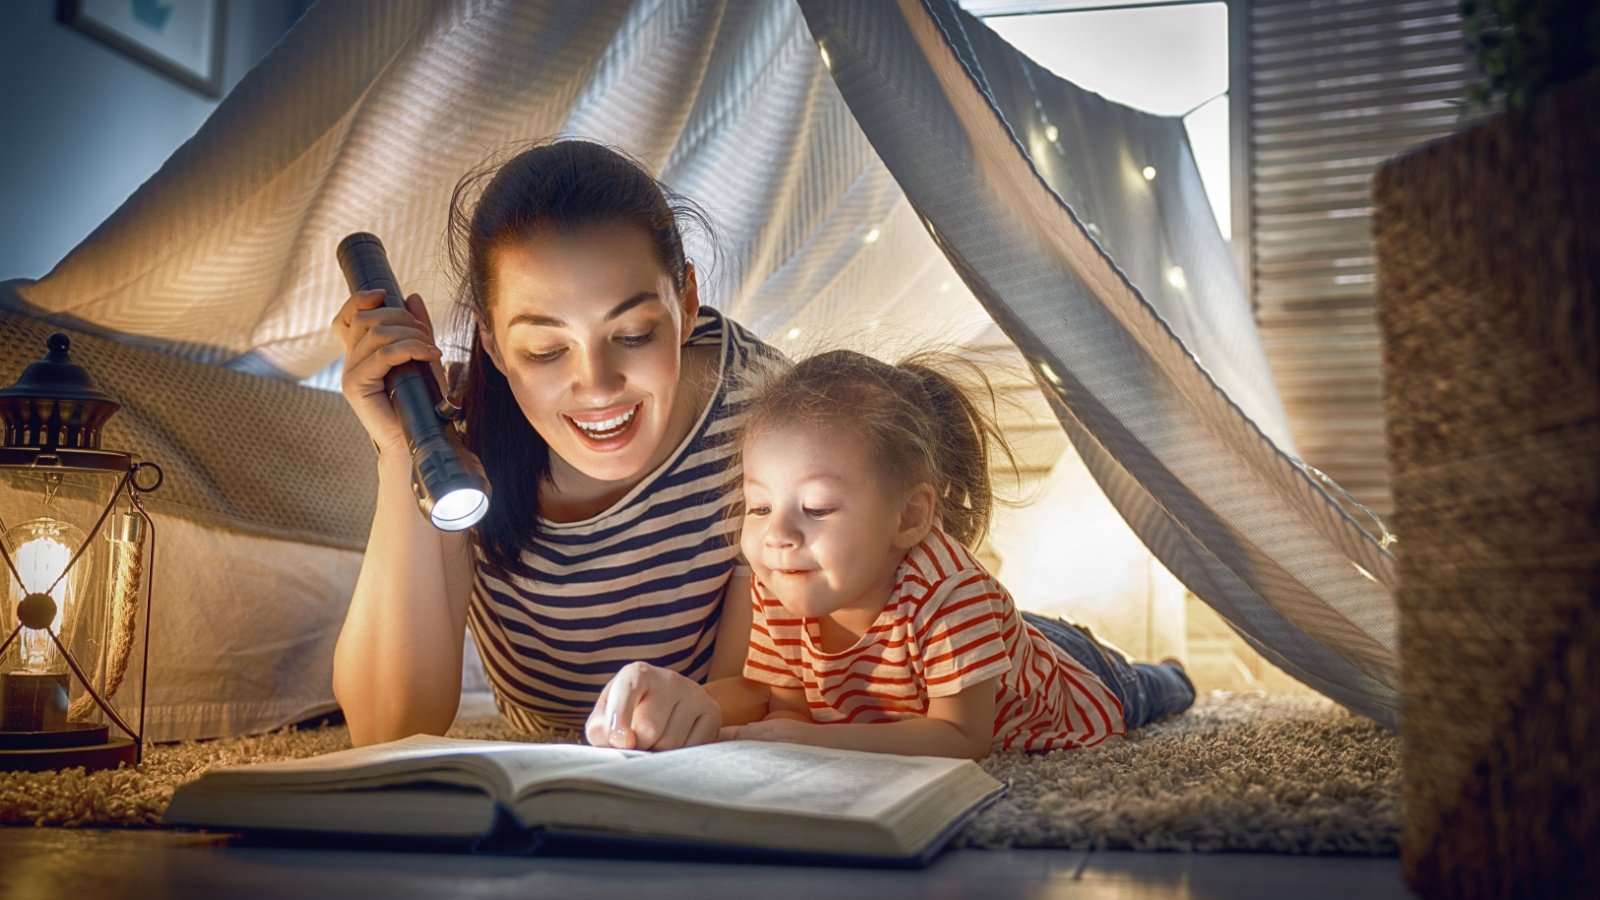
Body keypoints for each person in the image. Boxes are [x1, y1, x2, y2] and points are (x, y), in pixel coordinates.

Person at [330, 139, 782, 748]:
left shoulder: (764, 413)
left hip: (697, 758)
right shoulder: (461, 437)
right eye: (544, 349)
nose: (596, 386)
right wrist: (398, 447)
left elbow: (767, 690)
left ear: (687, 302)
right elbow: (389, 728)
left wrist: (704, 708)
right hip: (541, 773)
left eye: (634, 333)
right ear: (491, 344)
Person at [706, 349, 1194, 758]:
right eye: (761, 505)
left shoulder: (950, 593)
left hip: (1072, 670)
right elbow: (792, 708)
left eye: (816, 508)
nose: (778, 534)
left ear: (909, 517)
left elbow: (963, 737)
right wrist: (792, 737)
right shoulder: (783, 582)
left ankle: (1172, 671)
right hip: (985, 640)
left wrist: (816, 741)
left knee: (1150, 691)